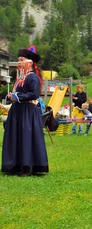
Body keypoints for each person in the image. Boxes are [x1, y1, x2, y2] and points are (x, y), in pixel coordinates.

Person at [2, 45, 49, 176]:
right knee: (17, 137)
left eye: (21, 60)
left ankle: (27, 167)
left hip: (28, 112)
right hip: (17, 111)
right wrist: (10, 96)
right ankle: (15, 165)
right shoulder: (20, 78)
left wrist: (17, 96)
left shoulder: (32, 77)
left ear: (29, 63)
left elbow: (34, 94)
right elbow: (17, 93)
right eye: (18, 60)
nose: (19, 62)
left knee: (26, 138)